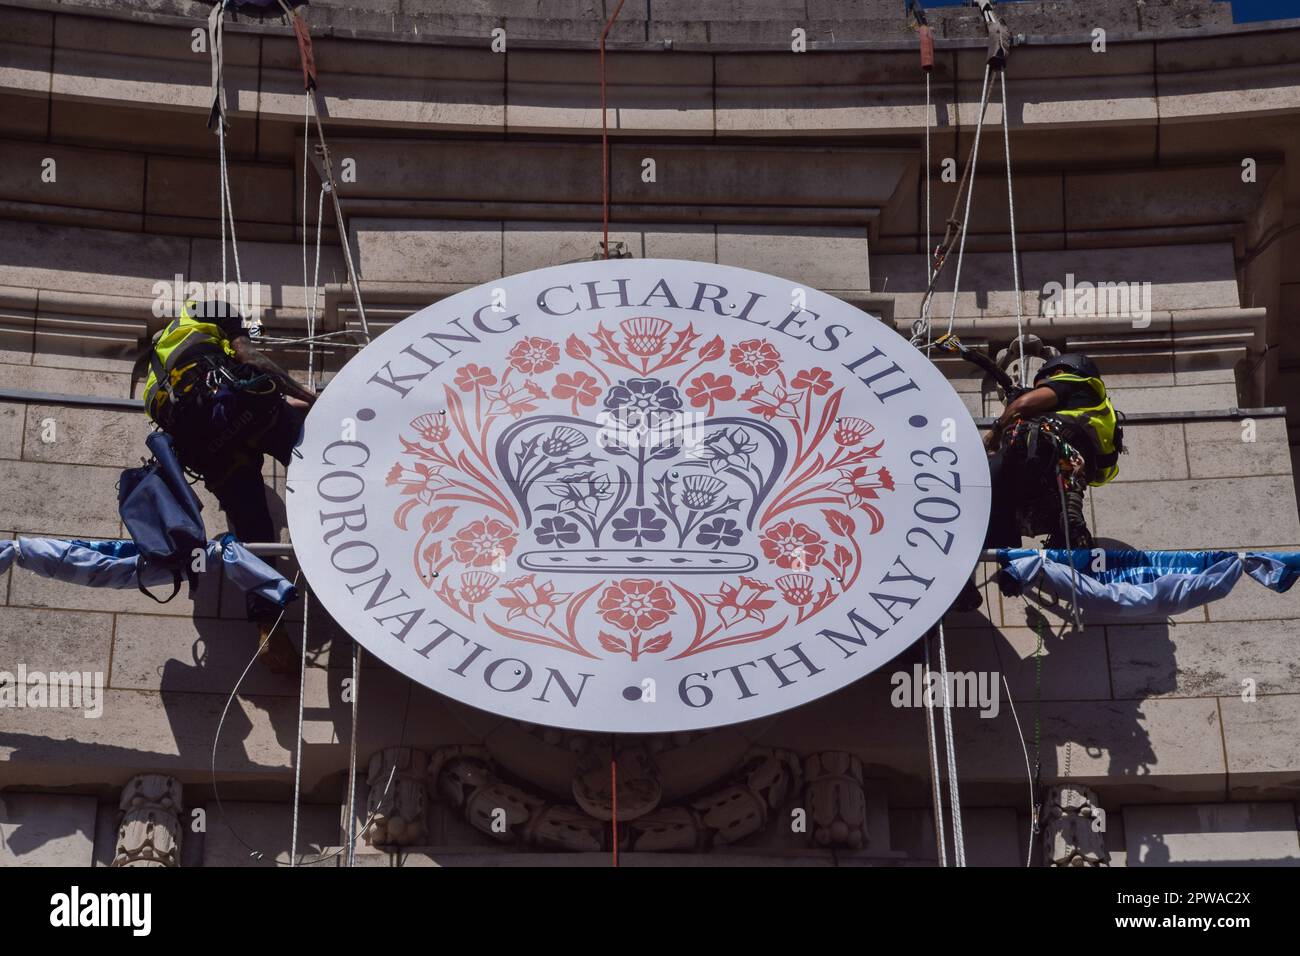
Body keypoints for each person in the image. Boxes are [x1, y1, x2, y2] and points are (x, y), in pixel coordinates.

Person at [142, 298, 316, 670]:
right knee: (313, 454)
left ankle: (269, 626)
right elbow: (252, 361)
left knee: (253, 528)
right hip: (248, 416)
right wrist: (311, 397)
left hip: (212, 452)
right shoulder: (209, 310)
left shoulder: (157, 374)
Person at [956, 352, 1122, 611]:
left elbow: (1023, 406)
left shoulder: (1070, 381)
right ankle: (1013, 565)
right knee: (997, 510)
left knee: (976, 492)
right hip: (1052, 484)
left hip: (1039, 454)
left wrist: (994, 434)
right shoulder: (1094, 408)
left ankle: (967, 578)